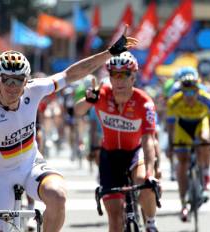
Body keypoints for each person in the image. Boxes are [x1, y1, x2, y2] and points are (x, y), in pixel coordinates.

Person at [0, 27, 138, 231]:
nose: (12, 86)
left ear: (26, 81)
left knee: (58, 196)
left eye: (18, 80)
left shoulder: (34, 89)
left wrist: (109, 53)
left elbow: (71, 74)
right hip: (0, 175)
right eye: (7, 80)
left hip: (31, 165)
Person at [74, 51, 160, 232]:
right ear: (110, 77)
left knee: (145, 184)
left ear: (133, 77)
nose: (119, 80)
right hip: (110, 157)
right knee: (114, 216)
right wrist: (88, 100)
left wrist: (151, 172)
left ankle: (151, 223)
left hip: (135, 153)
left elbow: (148, 140)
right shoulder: (101, 95)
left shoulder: (144, 103)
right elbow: (77, 111)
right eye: (114, 74)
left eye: (125, 75)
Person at [166, 69, 210, 221]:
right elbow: (170, 125)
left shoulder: (207, 99)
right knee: (182, 163)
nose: (189, 96)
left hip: (200, 124)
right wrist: (170, 144)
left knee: (205, 140)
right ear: (181, 91)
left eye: (192, 92)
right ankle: (183, 203)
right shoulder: (174, 101)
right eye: (185, 92)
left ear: (198, 90)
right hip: (183, 127)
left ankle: (205, 172)